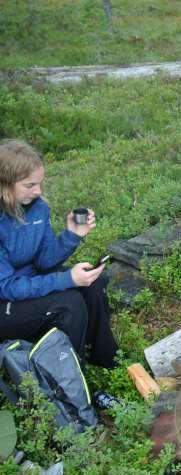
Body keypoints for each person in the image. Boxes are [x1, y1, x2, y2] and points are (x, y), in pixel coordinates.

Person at [0, 139, 117, 367]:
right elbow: (7, 287)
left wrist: (72, 235)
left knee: (93, 284)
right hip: (4, 301)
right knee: (68, 303)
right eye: (29, 185)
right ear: (5, 183)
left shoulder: (38, 207)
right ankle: (71, 387)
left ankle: (107, 362)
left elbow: (44, 260)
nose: (38, 191)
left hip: (27, 284)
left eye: (40, 183)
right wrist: (66, 279)